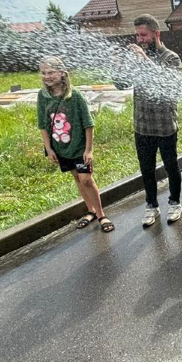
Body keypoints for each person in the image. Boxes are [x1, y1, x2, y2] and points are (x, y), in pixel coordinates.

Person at [37, 56, 112, 233]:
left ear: (62, 73)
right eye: (44, 73)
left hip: (79, 147)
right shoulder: (43, 96)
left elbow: (88, 123)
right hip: (61, 148)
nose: (47, 76)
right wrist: (48, 148)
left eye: (51, 72)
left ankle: (101, 214)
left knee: (86, 179)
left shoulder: (74, 95)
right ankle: (90, 211)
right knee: (77, 178)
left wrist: (89, 150)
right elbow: (43, 124)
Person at [130, 15, 182, 228]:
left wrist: (144, 60)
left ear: (156, 34)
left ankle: (175, 202)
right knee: (146, 168)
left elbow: (169, 88)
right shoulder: (136, 58)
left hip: (165, 126)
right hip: (142, 125)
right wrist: (117, 65)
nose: (140, 39)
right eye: (137, 35)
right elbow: (120, 84)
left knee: (171, 166)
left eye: (144, 34)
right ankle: (151, 205)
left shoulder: (171, 58)